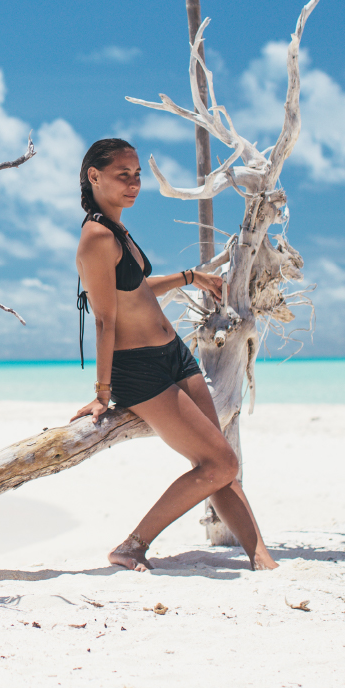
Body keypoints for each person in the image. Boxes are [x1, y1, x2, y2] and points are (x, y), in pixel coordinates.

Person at [71, 138, 277, 572]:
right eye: (122, 175)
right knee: (221, 462)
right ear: (95, 177)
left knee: (217, 459)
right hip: (141, 371)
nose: (133, 184)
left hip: (174, 356)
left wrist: (189, 277)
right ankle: (131, 545)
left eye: (137, 175)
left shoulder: (118, 229)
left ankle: (260, 558)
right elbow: (106, 320)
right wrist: (102, 393)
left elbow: (137, 291)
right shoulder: (95, 237)